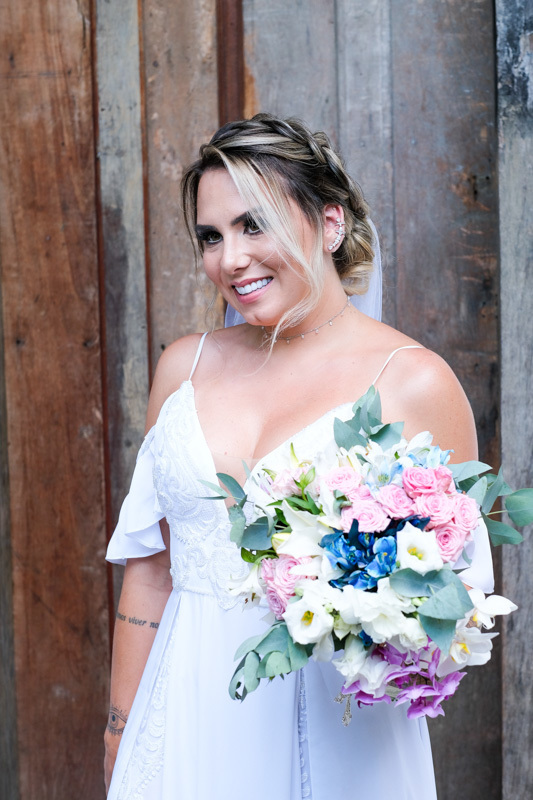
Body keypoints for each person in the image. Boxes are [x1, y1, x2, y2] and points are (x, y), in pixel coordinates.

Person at [104, 113, 493, 799]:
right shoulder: (182, 367)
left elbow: (450, 609)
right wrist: (120, 732)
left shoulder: (412, 381)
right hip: (186, 715)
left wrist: (373, 607)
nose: (230, 259)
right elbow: (152, 573)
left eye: (254, 226)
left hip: (339, 735)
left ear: (331, 224)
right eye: (211, 237)